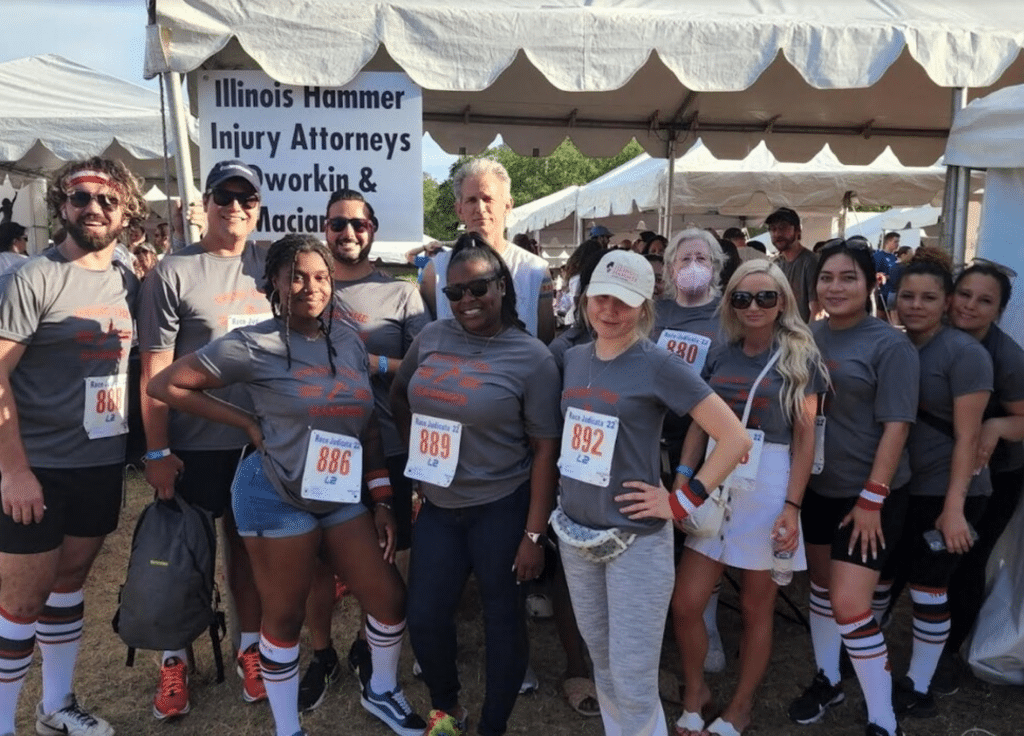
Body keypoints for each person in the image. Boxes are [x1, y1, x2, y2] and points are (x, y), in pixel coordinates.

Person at [148, 234, 425, 736]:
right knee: (285, 613)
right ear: (274, 281)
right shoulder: (255, 343)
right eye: (296, 275)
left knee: (387, 597)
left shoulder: (346, 341)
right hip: (275, 493)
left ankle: (381, 690)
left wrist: (382, 497)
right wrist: (247, 424)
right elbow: (164, 384)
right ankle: (285, 726)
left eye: (320, 276)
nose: (309, 287)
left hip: (338, 493)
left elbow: (365, 426)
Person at [556, 249, 750, 736]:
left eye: (624, 302)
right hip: (577, 534)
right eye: (600, 298)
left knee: (634, 674)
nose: (609, 311)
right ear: (585, 300)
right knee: (601, 659)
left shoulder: (657, 363)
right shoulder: (574, 358)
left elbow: (734, 439)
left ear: (645, 307)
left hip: (635, 539)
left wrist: (681, 500)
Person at [391, 232, 561, 736]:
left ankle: (492, 726)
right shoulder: (433, 337)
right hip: (441, 505)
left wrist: (533, 535)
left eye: (478, 288)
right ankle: (447, 708)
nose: (467, 300)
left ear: (503, 287)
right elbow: (402, 398)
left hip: (501, 507)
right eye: (456, 293)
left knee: (502, 619)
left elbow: (545, 450)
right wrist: (420, 461)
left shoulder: (532, 358)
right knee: (423, 616)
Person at [0, 157, 145, 736]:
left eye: (107, 200)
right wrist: (14, 472)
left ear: (126, 212)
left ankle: (55, 704)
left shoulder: (130, 278)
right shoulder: (33, 277)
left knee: (69, 583)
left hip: (99, 461)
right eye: (81, 198)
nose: (94, 209)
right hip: (38, 466)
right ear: (62, 205)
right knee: (21, 602)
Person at [672, 260, 826, 736]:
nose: (754, 306)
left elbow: (805, 442)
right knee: (686, 603)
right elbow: (701, 422)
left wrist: (792, 507)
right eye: (742, 297)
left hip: (770, 481)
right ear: (730, 304)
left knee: (759, 606)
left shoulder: (801, 357)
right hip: (715, 479)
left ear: (782, 302)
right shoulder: (721, 354)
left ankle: (741, 706)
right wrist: (683, 477)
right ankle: (696, 691)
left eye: (765, 297)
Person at [137, 159, 268, 719]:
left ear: (258, 207)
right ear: (207, 203)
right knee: (184, 559)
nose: (234, 206)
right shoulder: (173, 271)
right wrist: (158, 451)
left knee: (250, 556)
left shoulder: (271, 264)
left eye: (246, 197)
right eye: (224, 196)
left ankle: (251, 651)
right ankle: (174, 660)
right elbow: (153, 372)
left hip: (256, 445)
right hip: (192, 446)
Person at [297, 189, 429, 711]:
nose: (347, 233)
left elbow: (427, 368)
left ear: (373, 229)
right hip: (322, 446)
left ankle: (368, 647)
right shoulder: (309, 287)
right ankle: (323, 652)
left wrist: (370, 365)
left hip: (390, 442)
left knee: (384, 550)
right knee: (318, 558)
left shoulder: (401, 293)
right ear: (324, 229)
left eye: (358, 224)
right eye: (337, 224)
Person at [788, 239, 919, 736]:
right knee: (821, 590)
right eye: (827, 277)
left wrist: (872, 497)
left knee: (849, 604)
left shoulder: (890, 344)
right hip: (818, 487)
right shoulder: (805, 336)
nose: (835, 287)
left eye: (848, 278)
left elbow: (897, 427)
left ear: (870, 284)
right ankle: (827, 679)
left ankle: (884, 720)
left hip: (871, 495)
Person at [882, 247, 993, 720]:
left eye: (928, 297)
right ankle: (865, 658)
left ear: (946, 302)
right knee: (884, 578)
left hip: (949, 493)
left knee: (929, 589)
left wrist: (954, 509)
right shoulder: (896, 344)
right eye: (907, 295)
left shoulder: (964, 354)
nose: (915, 305)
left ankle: (920, 683)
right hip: (904, 487)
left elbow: (969, 438)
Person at [939, 259, 1024, 692]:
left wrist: (995, 426)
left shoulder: (1008, 357)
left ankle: (947, 654)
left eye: (984, 300)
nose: (970, 306)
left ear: (999, 310)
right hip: (942, 467)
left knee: (967, 561)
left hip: (998, 476)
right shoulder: (935, 334)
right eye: (965, 294)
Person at [421, 159, 554, 343]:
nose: (480, 209)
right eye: (471, 200)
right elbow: (427, 340)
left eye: (488, 199)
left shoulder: (535, 271)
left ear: (507, 205)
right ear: (459, 209)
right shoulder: (435, 272)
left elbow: (546, 340)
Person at [767, 207, 819, 322]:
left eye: (783, 228)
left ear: (797, 230)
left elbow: (817, 311)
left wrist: (807, 337)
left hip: (802, 334)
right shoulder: (776, 264)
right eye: (773, 229)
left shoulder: (810, 262)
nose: (777, 233)